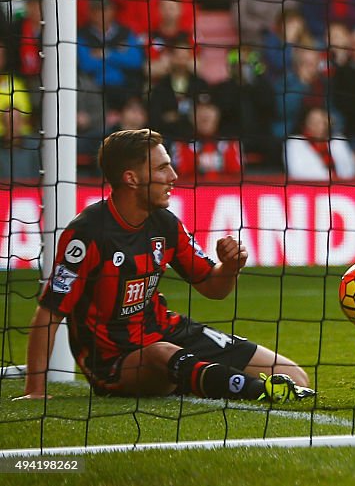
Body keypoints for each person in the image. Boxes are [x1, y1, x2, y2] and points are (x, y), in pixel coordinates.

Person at [18, 129, 313, 402]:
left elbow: (212, 286)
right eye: (162, 168)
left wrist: (230, 266)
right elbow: (49, 314)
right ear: (131, 178)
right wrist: (35, 391)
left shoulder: (165, 223)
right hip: (115, 361)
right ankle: (252, 390)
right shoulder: (87, 234)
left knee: (294, 376)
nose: (173, 175)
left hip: (166, 330)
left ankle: (196, 377)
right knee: (162, 355)